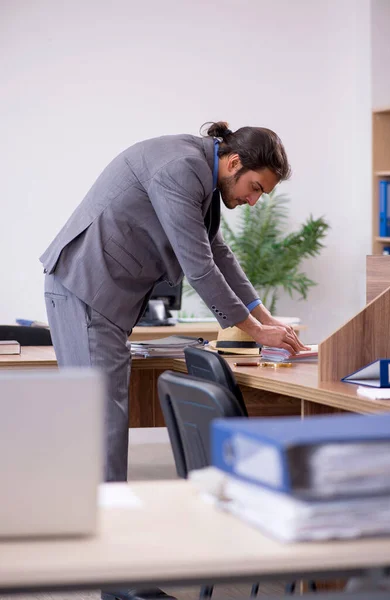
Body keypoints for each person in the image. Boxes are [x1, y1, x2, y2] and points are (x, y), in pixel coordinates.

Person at [40, 121, 307, 600]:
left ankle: (114, 574)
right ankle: (114, 580)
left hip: (103, 296)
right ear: (234, 164)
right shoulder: (180, 168)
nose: (253, 201)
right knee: (100, 428)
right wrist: (256, 330)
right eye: (255, 188)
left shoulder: (202, 172)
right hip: (84, 288)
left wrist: (269, 322)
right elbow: (197, 264)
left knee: (102, 426)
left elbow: (219, 254)